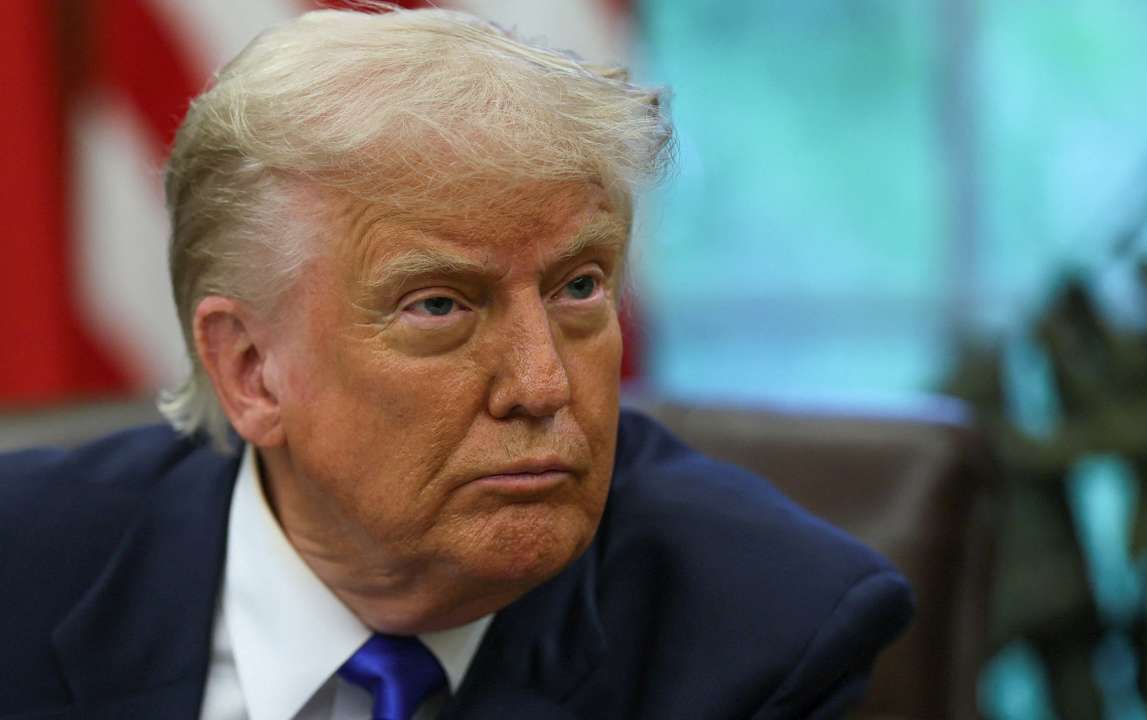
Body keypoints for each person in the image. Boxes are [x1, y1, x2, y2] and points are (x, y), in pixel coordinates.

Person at [0, 6, 912, 719]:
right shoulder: (24, 568)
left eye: (581, 288)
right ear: (250, 371)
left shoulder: (765, 628)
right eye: (439, 305)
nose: (544, 384)